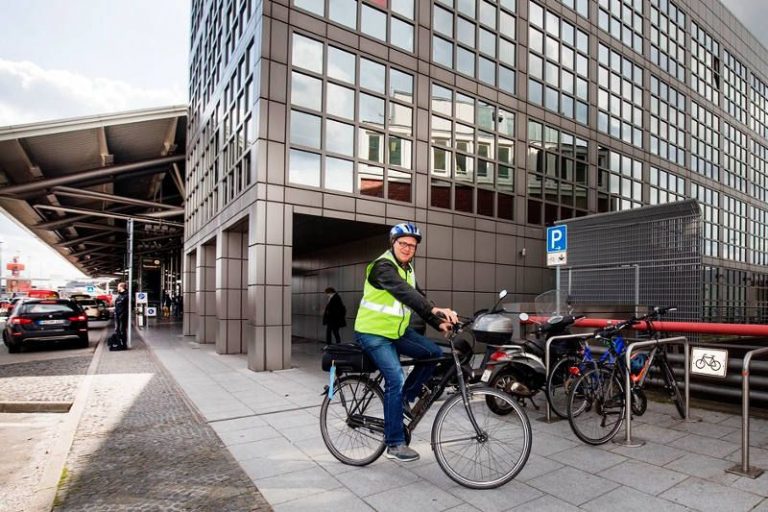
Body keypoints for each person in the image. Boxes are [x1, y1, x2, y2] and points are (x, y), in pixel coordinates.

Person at [354, 222, 458, 462]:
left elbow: (418, 298)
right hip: (372, 332)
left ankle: (402, 400)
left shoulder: (407, 269)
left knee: (433, 353)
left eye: (412, 245)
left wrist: (438, 322)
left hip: (396, 332)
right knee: (395, 378)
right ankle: (394, 443)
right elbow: (405, 293)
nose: (408, 248)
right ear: (393, 243)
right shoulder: (382, 267)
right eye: (403, 243)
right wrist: (435, 309)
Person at [113, 282, 129, 350]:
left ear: (121, 287)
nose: (117, 287)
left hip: (122, 315)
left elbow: (125, 306)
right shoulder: (120, 295)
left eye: (118, 286)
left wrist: (122, 313)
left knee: (122, 330)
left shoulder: (126, 295)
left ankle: (123, 344)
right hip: (117, 314)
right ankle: (119, 343)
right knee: (117, 330)